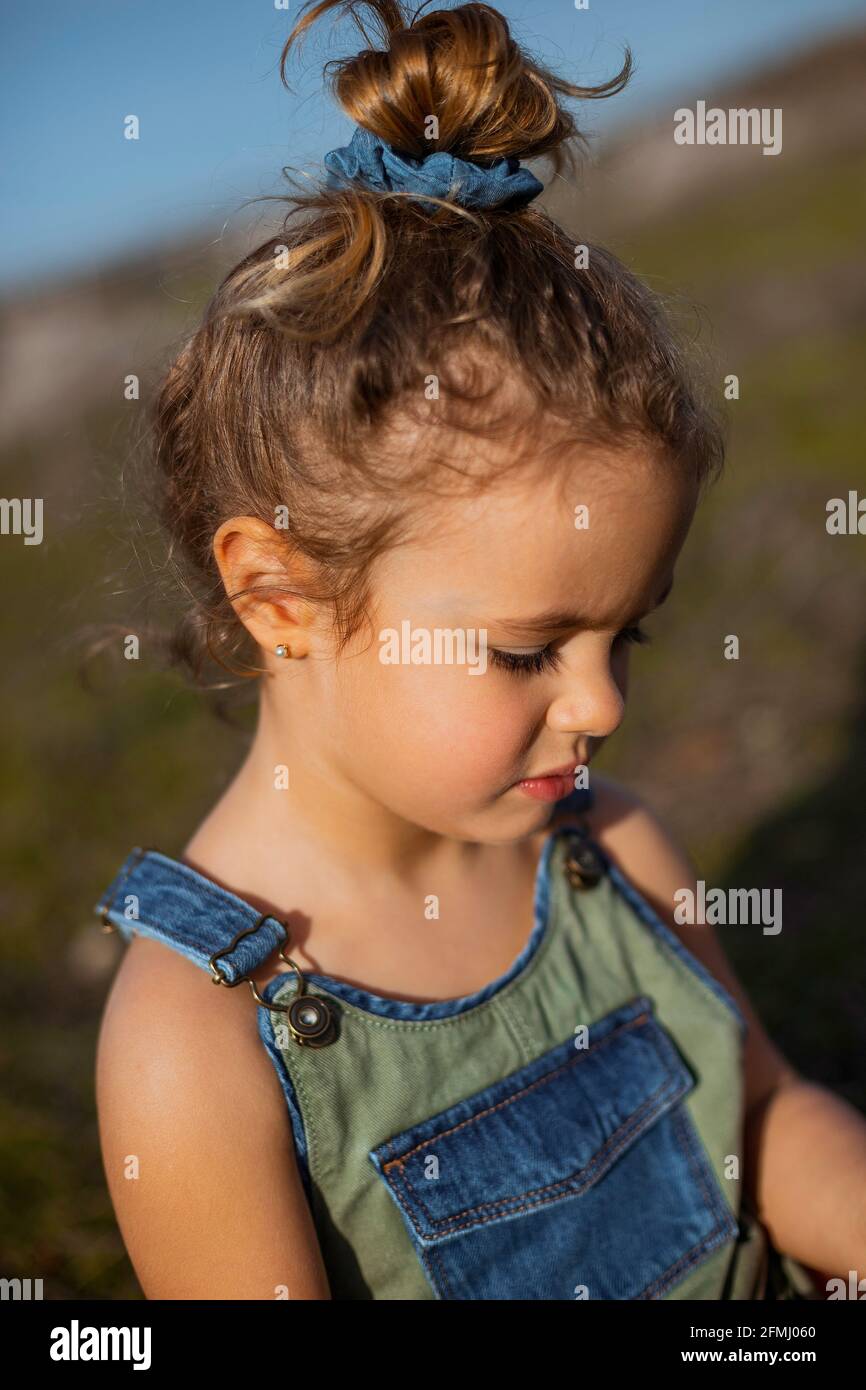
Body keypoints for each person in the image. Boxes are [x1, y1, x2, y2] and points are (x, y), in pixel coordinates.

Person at [94, 0, 865, 1300]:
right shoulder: (199, 1041)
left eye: (631, 631)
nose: (602, 702)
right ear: (280, 595)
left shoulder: (612, 852)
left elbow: (763, 1115)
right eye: (524, 654)